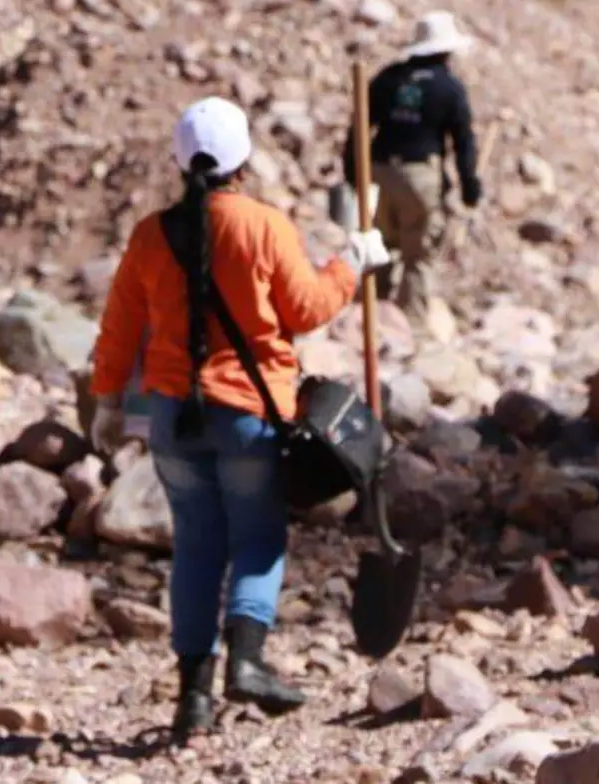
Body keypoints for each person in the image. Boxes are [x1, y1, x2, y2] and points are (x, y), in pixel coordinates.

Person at [88, 98, 390, 744]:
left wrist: (108, 401)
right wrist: (353, 260)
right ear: (243, 164)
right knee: (256, 539)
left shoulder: (149, 234)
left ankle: (192, 700)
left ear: (178, 162)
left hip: (173, 417)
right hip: (251, 414)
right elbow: (307, 308)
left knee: (196, 547)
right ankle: (247, 660)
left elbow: (119, 328)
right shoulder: (262, 226)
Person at [341, 10, 482, 320]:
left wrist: (353, 171)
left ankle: (367, 321)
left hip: (378, 172)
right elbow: (463, 142)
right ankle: (409, 327)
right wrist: (469, 186)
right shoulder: (449, 88)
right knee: (417, 255)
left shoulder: (388, 79)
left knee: (377, 245)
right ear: (446, 50)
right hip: (420, 176)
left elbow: (359, 126)